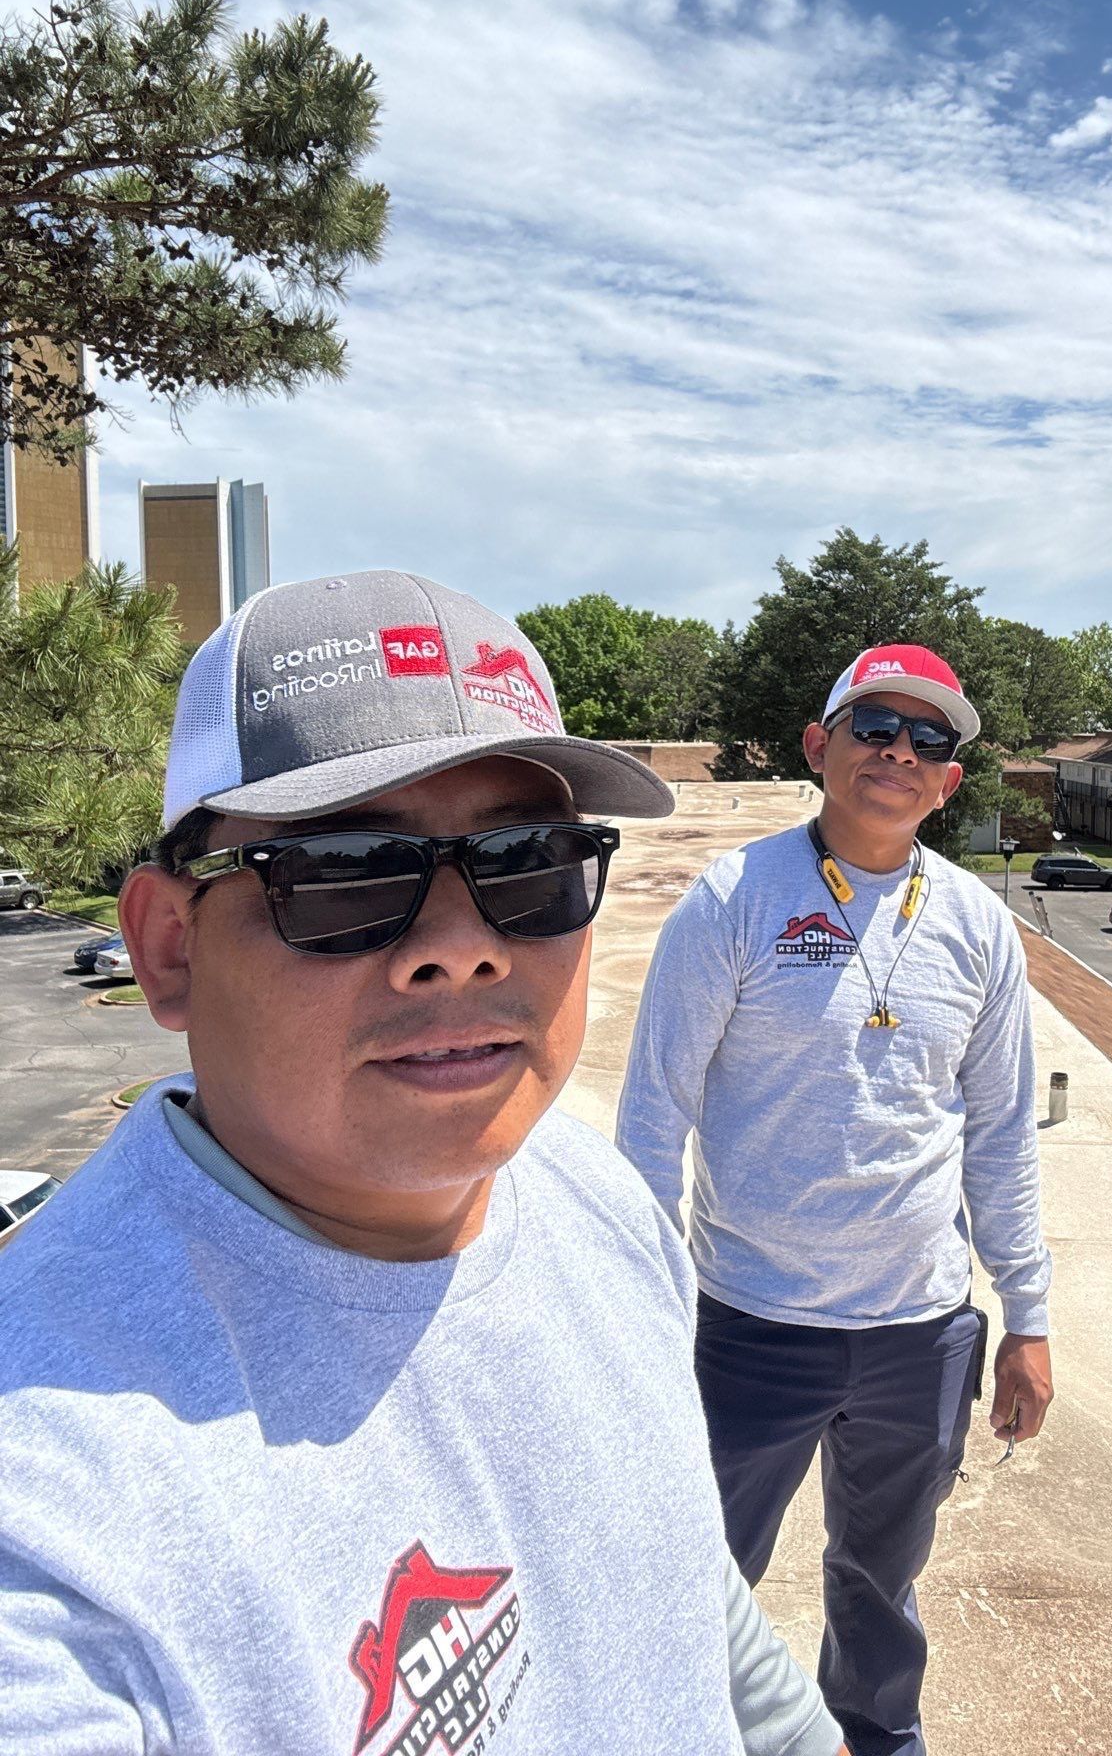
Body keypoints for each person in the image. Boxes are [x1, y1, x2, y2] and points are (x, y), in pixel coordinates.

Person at [0, 570, 846, 1756]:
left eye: (529, 864)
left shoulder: (594, 1199)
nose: (460, 949)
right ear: (170, 946)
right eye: (346, 873)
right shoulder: (47, 1502)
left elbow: (672, 1585)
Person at [617, 644, 1054, 1756]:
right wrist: (637, 1308)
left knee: (881, 1583)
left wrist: (1027, 1319)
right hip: (750, 1329)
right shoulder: (731, 901)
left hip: (921, 1331)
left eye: (929, 741)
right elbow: (652, 1120)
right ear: (821, 747)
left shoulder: (977, 926)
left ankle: (874, 1736)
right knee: (692, 1581)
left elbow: (1001, 1136)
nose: (899, 753)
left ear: (950, 781)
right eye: (875, 728)